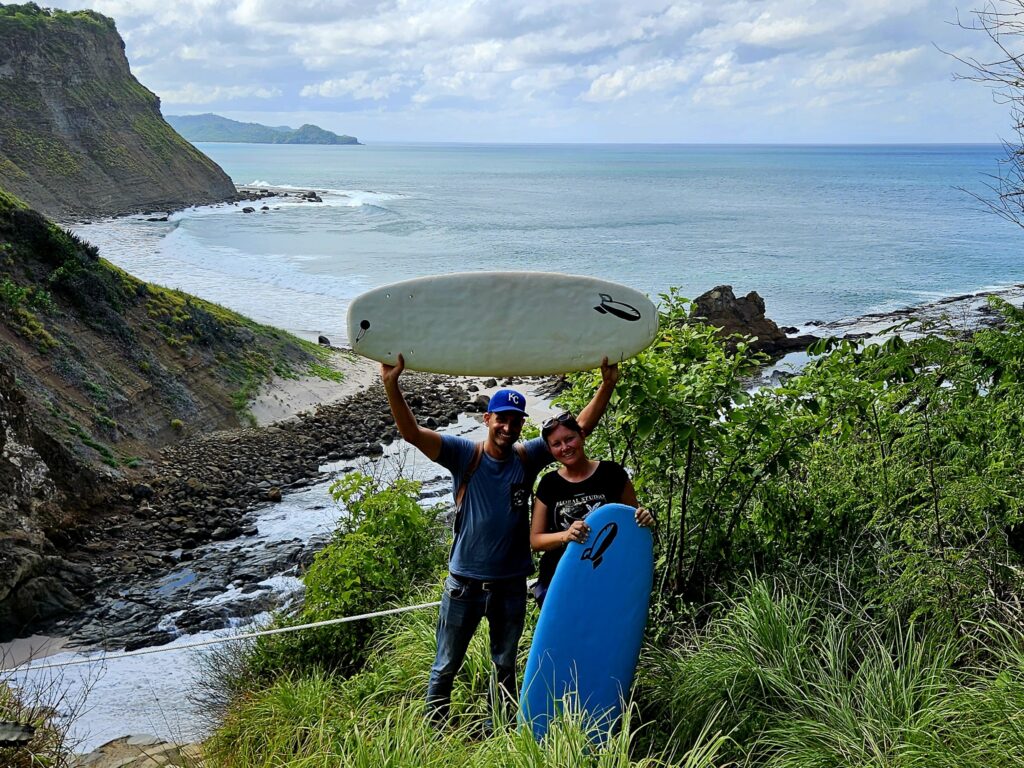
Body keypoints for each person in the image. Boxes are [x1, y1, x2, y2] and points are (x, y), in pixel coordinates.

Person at [380, 354, 620, 727]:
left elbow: (577, 430)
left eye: (515, 420)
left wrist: (606, 385)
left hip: (510, 585)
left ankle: (501, 731)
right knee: (446, 665)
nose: (508, 426)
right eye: (502, 418)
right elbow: (412, 435)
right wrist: (391, 384)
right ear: (487, 419)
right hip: (464, 585)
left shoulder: (526, 458)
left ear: (521, 424)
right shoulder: (464, 455)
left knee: (505, 664)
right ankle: (435, 731)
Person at [530, 411, 654, 607]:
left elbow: (633, 521)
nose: (565, 448)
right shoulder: (549, 484)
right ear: (550, 449)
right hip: (560, 579)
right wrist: (566, 535)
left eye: (569, 439)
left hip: (609, 576)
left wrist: (644, 518)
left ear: (582, 435)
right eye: (556, 444)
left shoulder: (612, 473)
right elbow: (536, 540)